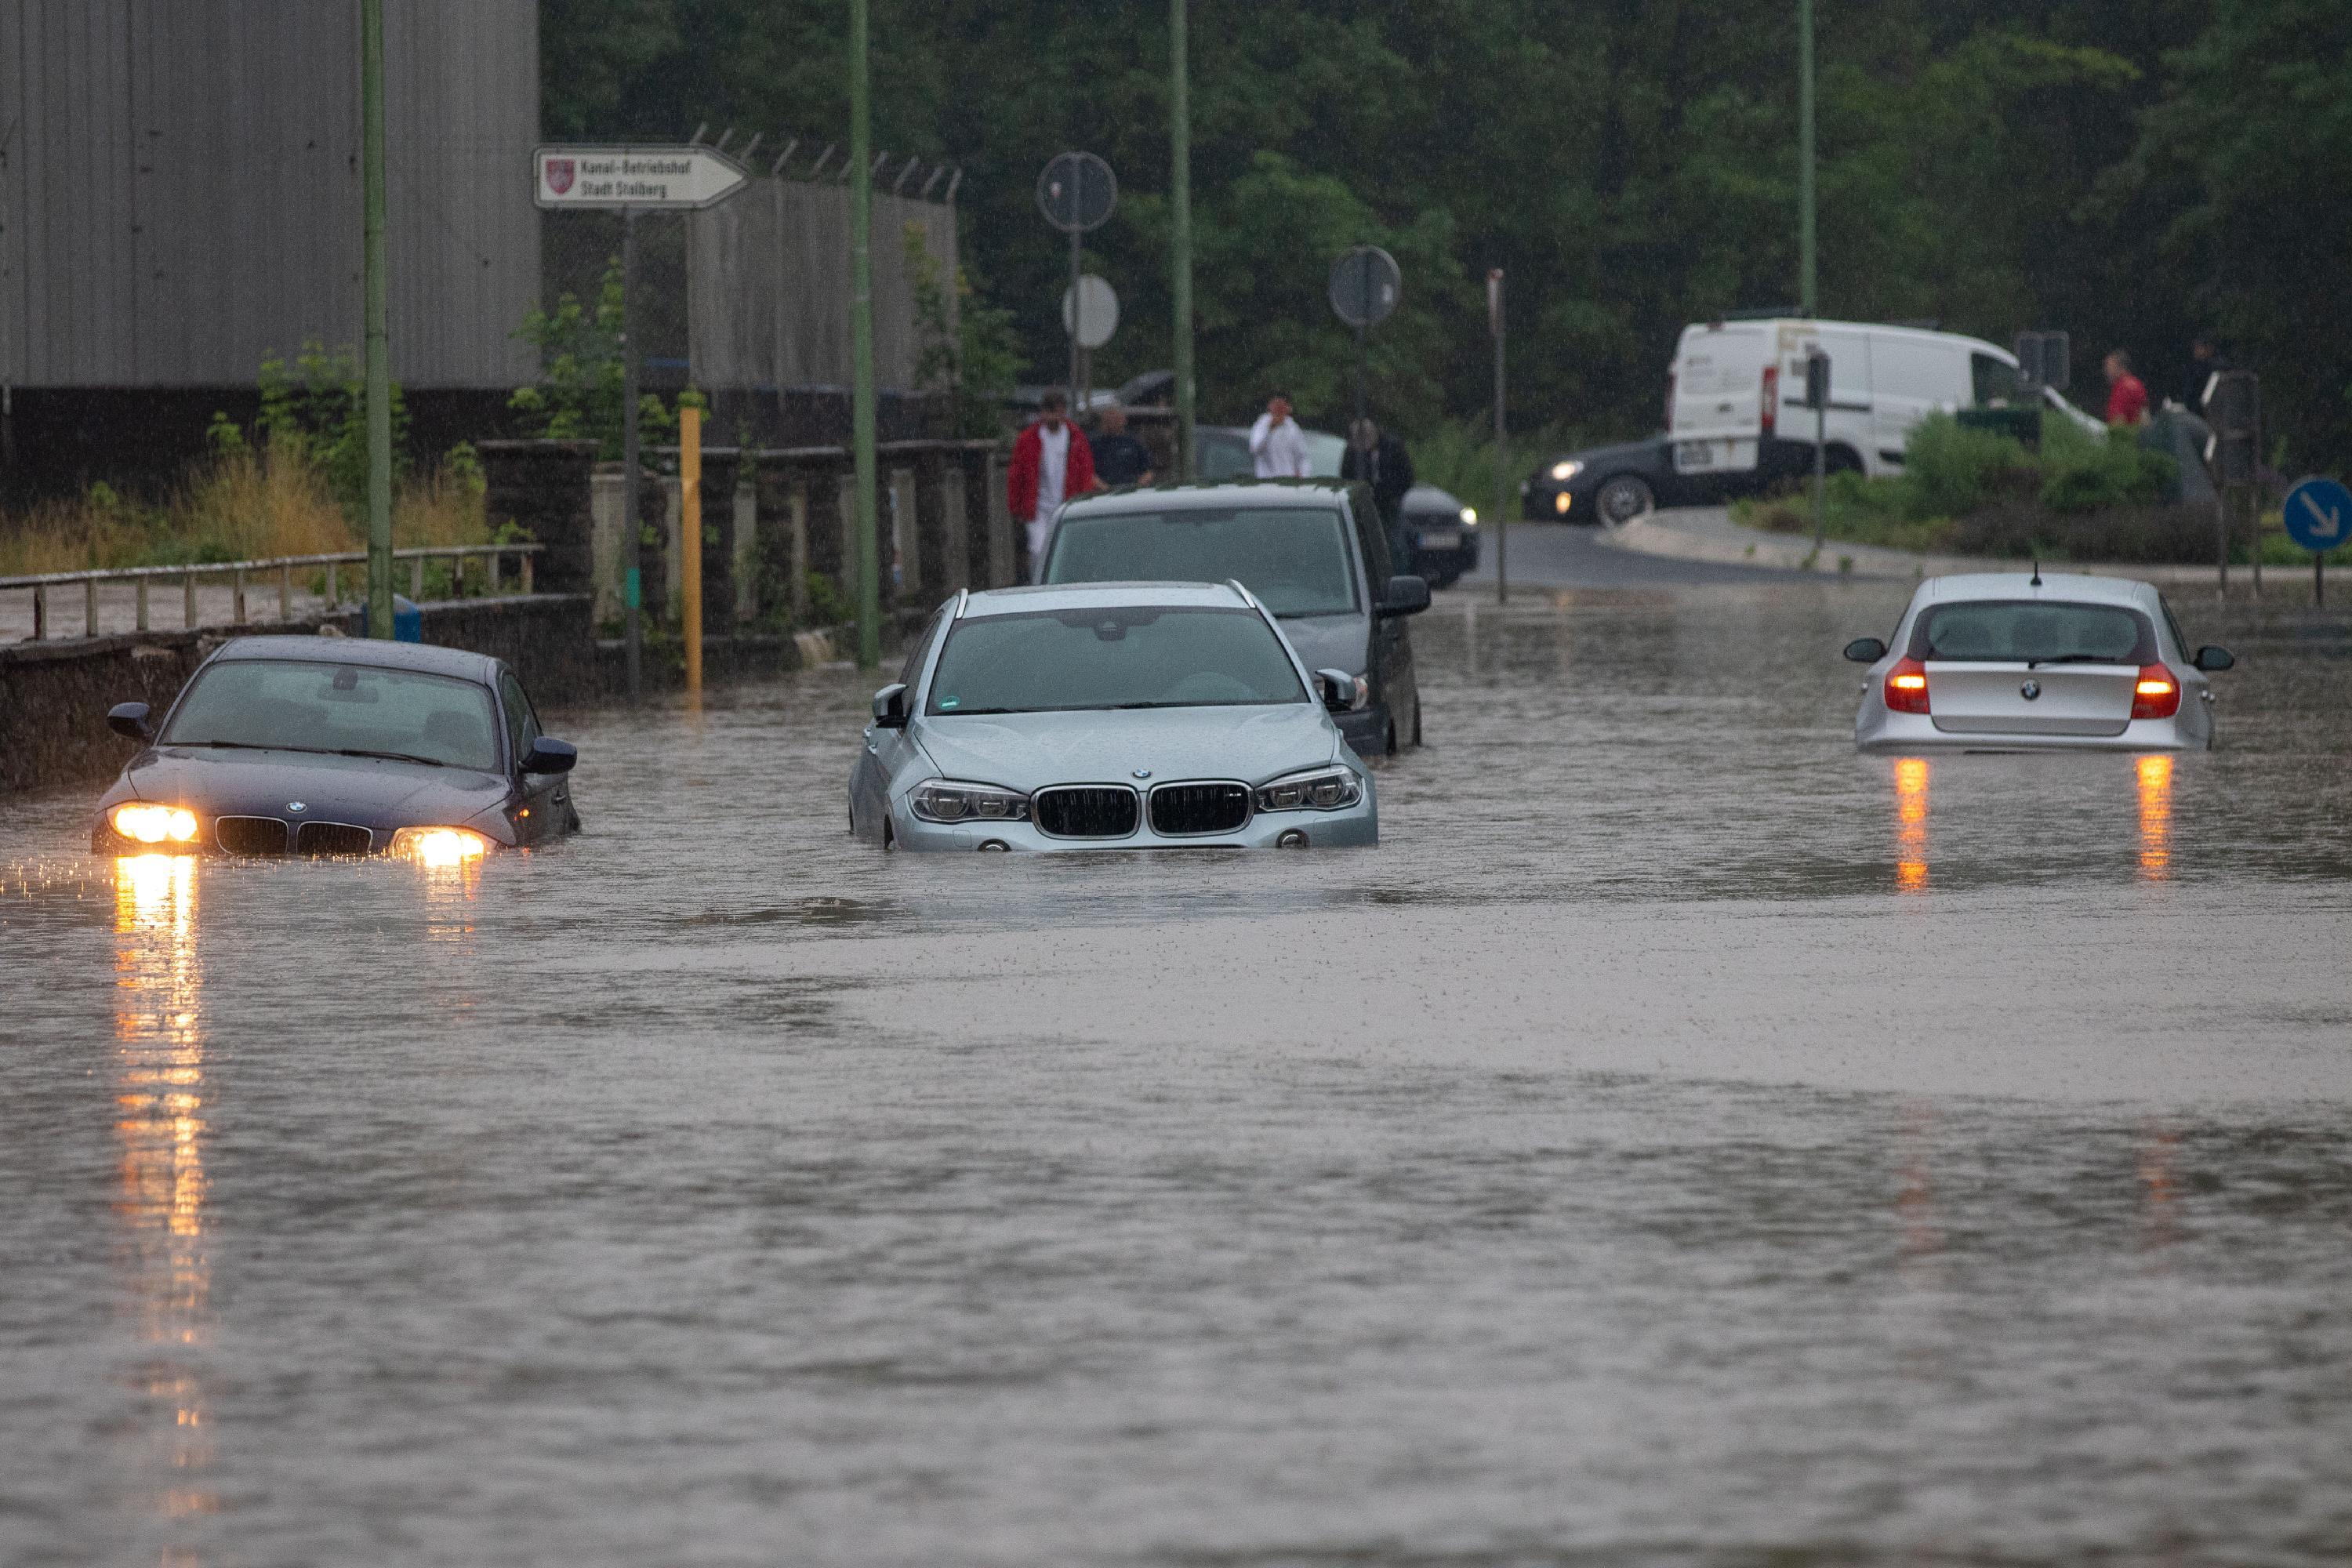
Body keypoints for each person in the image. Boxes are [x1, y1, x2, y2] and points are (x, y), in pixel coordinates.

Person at [1007, 391, 1096, 577]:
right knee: (1038, 551)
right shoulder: (1029, 439)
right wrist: (1016, 507)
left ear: (1063, 412)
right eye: (1048, 412)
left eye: (1056, 412)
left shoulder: (1075, 438)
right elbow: (1017, 474)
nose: (1051, 417)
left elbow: (1085, 473)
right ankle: (1037, 587)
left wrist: (1084, 501)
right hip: (1038, 508)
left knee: (1067, 553)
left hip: (1067, 505)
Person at [1341, 418, 1415, 528]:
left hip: (1389, 506)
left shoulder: (1392, 447)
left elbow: (1407, 475)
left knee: (1392, 536)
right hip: (1363, 506)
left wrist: (1394, 495)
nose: (1365, 440)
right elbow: (1346, 475)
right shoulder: (1353, 452)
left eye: (1368, 435)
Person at [1089, 404, 1155, 488]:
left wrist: (1139, 485)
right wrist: (1103, 487)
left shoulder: (1134, 442)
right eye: (1109, 420)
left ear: (1124, 420)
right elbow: (1088, 473)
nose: (1113, 422)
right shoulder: (1094, 444)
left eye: (1116, 419)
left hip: (1132, 490)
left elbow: (1149, 471)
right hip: (1104, 492)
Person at [1248, 394, 1311, 478]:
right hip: (1266, 483)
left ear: (1288, 408)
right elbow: (1255, 449)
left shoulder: (1292, 427)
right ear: (1270, 406)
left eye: (1282, 406)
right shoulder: (1262, 424)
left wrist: (1303, 476)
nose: (1279, 409)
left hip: (1288, 483)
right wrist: (1270, 428)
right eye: (1276, 406)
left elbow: (1302, 456)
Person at [2103, 349, 2149, 426]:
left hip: (2125, 435)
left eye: (2109, 366)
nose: (2106, 371)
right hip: (2138, 434)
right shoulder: (2137, 384)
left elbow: (2117, 421)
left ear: (2120, 367)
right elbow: (2145, 419)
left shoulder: (2122, 387)